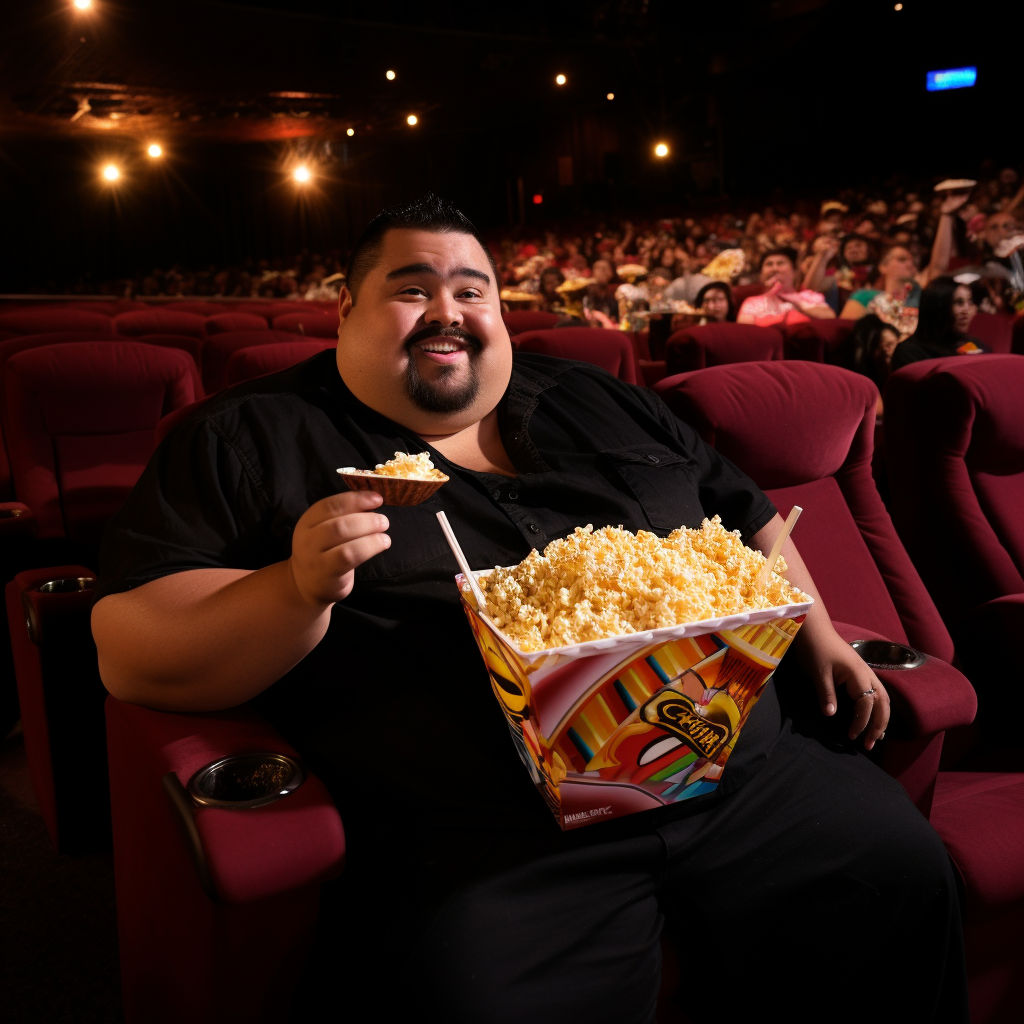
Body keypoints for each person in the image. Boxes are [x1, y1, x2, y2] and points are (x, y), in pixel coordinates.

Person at [92, 194, 966, 1024]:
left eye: (472, 290)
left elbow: (749, 517)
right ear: (346, 307)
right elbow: (129, 643)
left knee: (903, 874)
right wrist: (292, 589)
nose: (447, 310)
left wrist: (821, 638)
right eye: (411, 289)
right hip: (489, 833)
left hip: (734, 766)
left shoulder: (602, 396)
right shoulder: (246, 438)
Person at [840, 190, 970, 329]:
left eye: (912, 261)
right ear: (882, 267)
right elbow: (845, 332)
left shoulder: (919, 296)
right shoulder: (865, 296)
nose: (909, 264)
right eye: (901, 260)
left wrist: (946, 215)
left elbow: (938, 266)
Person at [891, 276, 984, 371]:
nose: (966, 310)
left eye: (969, 302)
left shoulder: (975, 346)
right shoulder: (909, 353)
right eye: (958, 302)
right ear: (938, 308)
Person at [736, 248, 835, 326]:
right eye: (769, 264)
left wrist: (794, 302)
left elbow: (830, 318)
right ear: (761, 275)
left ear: (794, 272)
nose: (775, 268)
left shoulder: (809, 296)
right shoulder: (752, 302)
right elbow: (745, 333)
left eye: (780, 263)